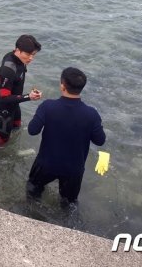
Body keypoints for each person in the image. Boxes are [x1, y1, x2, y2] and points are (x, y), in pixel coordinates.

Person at [26, 67, 106, 205]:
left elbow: (32, 130)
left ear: (62, 86)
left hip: (46, 164)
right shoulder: (91, 114)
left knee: (33, 192)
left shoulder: (47, 106)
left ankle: (31, 216)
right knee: (69, 203)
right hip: (74, 168)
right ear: (81, 88)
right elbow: (100, 141)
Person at [0, 34, 43, 146]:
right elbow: (4, 98)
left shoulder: (19, 59)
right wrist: (28, 97)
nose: (31, 58)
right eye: (28, 54)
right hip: (4, 109)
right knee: (2, 143)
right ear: (17, 50)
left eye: (33, 55)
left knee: (17, 127)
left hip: (15, 104)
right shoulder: (8, 69)